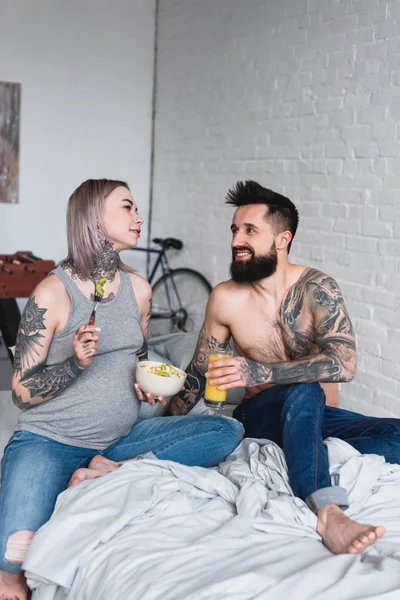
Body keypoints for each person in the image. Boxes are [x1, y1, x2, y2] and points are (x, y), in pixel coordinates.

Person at [0, 179, 243, 600]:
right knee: (13, 560)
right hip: (50, 440)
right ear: (94, 220)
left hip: (120, 442)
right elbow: (21, 391)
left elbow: (139, 359)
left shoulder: (139, 290)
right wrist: (75, 364)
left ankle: (104, 471)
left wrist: (148, 386)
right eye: (127, 208)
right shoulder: (52, 293)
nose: (139, 218)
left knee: (226, 432)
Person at [167, 180, 397, 556]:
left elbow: (345, 363)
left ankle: (308, 452)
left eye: (249, 230)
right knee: (303, 389)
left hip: (319, 419)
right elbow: (196, 374)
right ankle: (327, 510)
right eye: (234, 230)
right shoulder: (226, 298)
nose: (236, 240)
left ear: (282, 239)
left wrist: (262, 372)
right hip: (260, 418)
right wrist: (162, 426)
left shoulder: (317, 288)